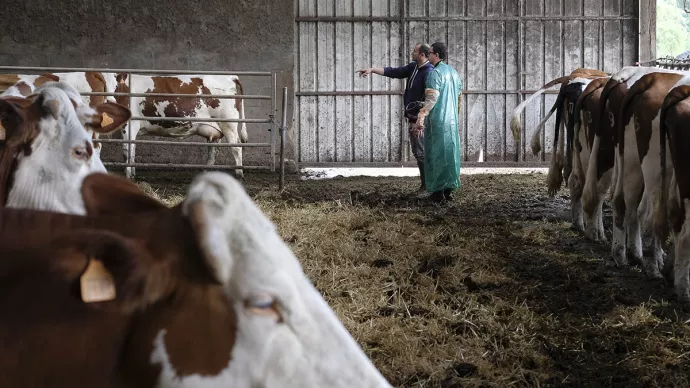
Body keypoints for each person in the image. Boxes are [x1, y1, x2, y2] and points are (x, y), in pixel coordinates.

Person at [357, 43, 434, 193]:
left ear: (422, 55)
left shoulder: (429, 72)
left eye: (415, 51)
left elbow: (430, 98)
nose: (412, 52)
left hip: (419, 120)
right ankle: (426, 185)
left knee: (422, 153)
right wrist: (372, 69)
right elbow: (393, 72)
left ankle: (428, 186)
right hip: (412, 118)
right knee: (419, 153)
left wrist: (421, 118)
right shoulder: (413, 67)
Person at [413, 42, 463, 202]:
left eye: (431, 52)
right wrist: (455, 115)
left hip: (438, 122)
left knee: (436, 156)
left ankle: (437, 192)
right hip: (452, 122)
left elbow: (432, 98)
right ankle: (449, 190)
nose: (429, 55)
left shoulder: (435, 74)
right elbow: (459, 99)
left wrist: (421, 117)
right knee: (450, 155)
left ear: (436, 54)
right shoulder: (454, 73)